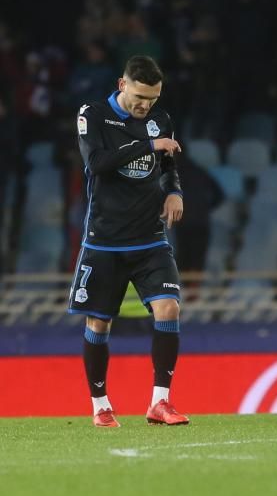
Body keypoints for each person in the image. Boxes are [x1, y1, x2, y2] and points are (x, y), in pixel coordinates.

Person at [68, 55, 189, 427]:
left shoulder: (160, 120)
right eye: (139, 96)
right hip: (104, 241)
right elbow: (98, 162)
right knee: (99, 324)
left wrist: (174, 193)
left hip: (149, 239)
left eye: (152, 99)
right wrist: (149, 146)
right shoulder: (93, 114)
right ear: (123, 85)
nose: (145, 105)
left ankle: (160, 402)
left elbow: (168, 168)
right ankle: (100, 404)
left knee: (169, 309)